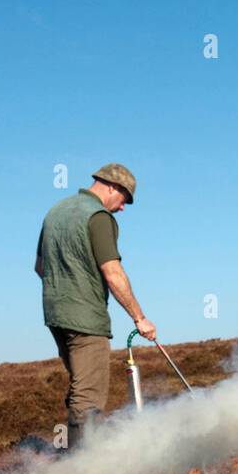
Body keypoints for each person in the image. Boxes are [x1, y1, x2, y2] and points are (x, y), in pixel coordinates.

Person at [35, 163, 156, 447]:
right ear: (112, 186)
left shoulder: (56, 212)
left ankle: (71, 454)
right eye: (124, 199)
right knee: (89, 393)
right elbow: (112, 272)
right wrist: (140, 318)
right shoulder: (99, 217)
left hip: (55, 313)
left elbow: (40, 267)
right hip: (86, 317)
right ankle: (82, 470)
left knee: (79, 384)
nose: (123, 208)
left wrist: (64, 289)